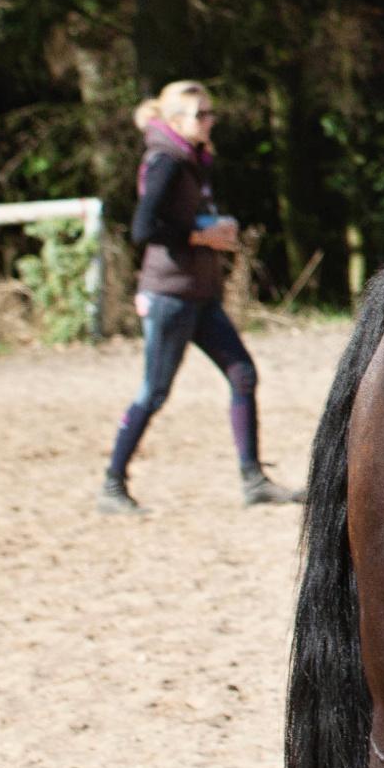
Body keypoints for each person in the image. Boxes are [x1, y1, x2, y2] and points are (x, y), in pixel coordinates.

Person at [98, 82, 303, 514]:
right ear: (175, 122)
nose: (210, 121)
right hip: (170, 296)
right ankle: (112, 486)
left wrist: (215, 228)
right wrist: (199, 235)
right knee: (153, 392)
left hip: (201, 295)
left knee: (243, 374)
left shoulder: (193, 161)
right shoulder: (166, 162)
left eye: (210, 113)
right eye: (201, 114)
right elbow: (143, 228)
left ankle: (253, 480)